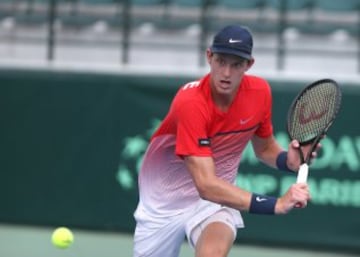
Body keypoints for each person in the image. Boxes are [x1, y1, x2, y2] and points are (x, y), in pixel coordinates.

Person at [133, 25, 318, 257]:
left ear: (249, 65)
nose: (227, 73)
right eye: (221, 61)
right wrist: (277, 204)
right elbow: (206, 185)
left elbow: (265, 148)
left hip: (213, 204)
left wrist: (289, 161)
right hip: (163, 204)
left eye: (236, 64)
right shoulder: (190, 103)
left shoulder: (260, 93)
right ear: (209, 57)